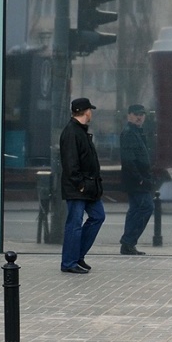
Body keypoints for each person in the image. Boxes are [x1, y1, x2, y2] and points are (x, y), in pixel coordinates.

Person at [59, 97, 104, 274]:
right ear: (86, 111)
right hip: (79, 188)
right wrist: (80, 185)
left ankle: (77, 256)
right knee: (74, 224)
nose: (91, 113)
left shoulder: (80, 131)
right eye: (90, 110)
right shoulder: (72, 132)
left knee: (98, 216)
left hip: (88, 187)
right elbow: (70, 164)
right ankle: (69, 262)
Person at [119, 103, 154, 255]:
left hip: (137, 178)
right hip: (136, 179)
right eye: (136, 114)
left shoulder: (136, 132)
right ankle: (128, 241)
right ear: (129, 115)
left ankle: (128, 244)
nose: (139, 117)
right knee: (146, 207)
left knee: (135, 209)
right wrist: (140, 179)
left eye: (141, 114)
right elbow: (129, 160)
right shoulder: (130, 133)